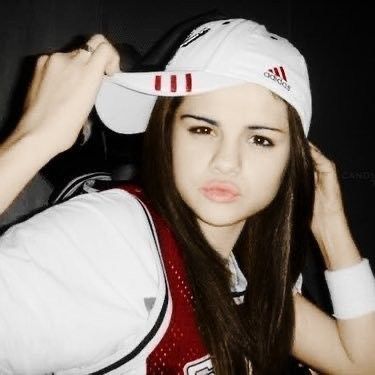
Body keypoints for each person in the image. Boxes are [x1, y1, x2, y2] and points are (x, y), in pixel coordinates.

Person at [0, 17, 374, 375]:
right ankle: (78, 160)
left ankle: (84, 162)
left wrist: (329, 223)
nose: (227, 162)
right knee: (85, 177)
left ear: (292, 161)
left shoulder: (240, 271)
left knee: (90, 175)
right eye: (202, 129)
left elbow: (361, 363)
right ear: (166, 133)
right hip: (128, 205)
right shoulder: (116, 247)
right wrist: (35, 139)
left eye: (260, 139)